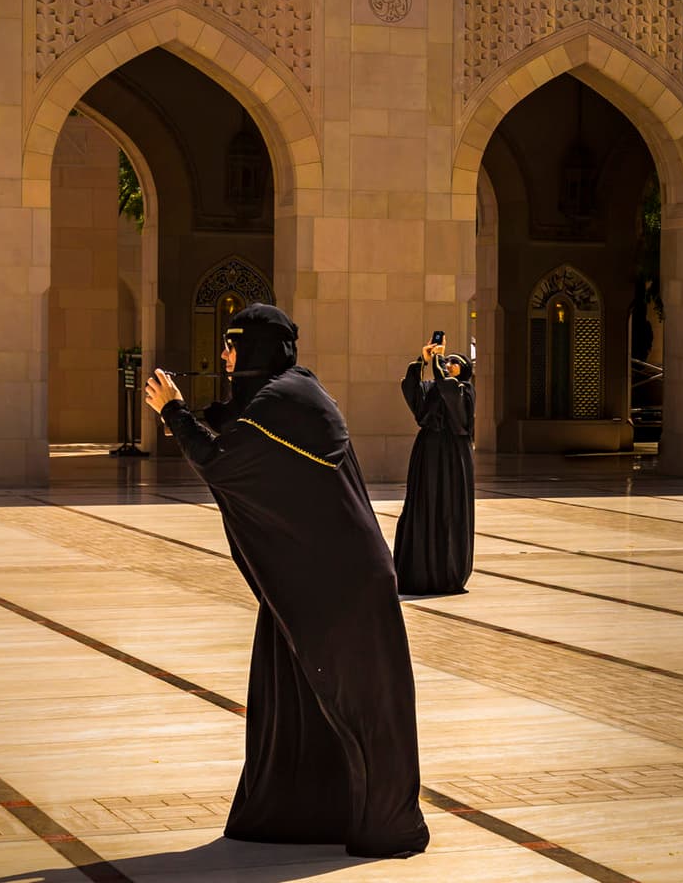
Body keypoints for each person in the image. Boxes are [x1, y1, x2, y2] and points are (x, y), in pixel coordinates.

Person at [143, 303, 430, 859]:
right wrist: (182, 410)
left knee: (361, 706)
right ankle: (301, 816)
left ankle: (387, 823)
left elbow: (222, 460)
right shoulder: (279, 398)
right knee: (293, 701)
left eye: (233, 345)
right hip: (308, 582)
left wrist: (174, 412)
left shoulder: (292, 400)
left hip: (343, 587)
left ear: (257, 349)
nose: (224, 355)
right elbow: (231, 425)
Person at [392, 340, 475, 595]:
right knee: (423, 505)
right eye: (446, 360)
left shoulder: (464, 390)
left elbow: (450, 393)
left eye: (454, 362)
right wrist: (423, 360)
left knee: (447, 507)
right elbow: (411, 390)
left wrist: (438, 364)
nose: (448, 364)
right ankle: (418, 571)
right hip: (427, 454)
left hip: (452, 457)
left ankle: (446, 571)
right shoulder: (431, 390)